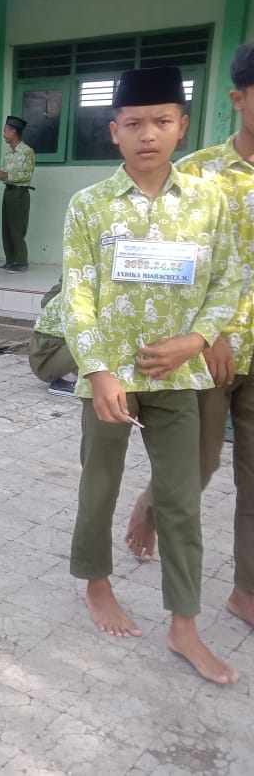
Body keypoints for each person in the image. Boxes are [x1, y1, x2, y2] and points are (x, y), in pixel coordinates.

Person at [62, 67, 243, 685]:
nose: (148, 134)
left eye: (162, 121)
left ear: (182, 126)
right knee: (101, 484)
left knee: (182, 498)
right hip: (109, 379)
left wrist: (195, 340)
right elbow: (76, 298)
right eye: (134, 123)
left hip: (180, 378)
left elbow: (229, 281)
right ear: (114, 131)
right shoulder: (88, 207)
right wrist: (99, 370)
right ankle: (97, 583)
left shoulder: (208, 204)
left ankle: (183, 626)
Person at [124, 44, 254, 635]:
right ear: (238, 98)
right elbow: (172, 264)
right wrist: (212, 332)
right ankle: (152, 503)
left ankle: (246, 590)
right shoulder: (197, 173)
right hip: (205, 355)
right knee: (197, 466)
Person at [0, 116, 35, 273]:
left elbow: (26, 175)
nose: (3, 135)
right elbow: (4, 172)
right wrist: (1, 175)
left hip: (20, 193)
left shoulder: (27, 151)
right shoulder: (8, 153)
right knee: (7, 228)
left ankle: (21, 262)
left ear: (13, 131)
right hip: (8, 191)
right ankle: (10, 260)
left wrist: (6, 175)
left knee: (17, 228)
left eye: (5, 131)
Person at [28, 281, 78, 397]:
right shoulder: (82, 292)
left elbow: (45, 301)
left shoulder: (74, 283)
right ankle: (66, 381)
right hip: (47, 356)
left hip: (44, 352)